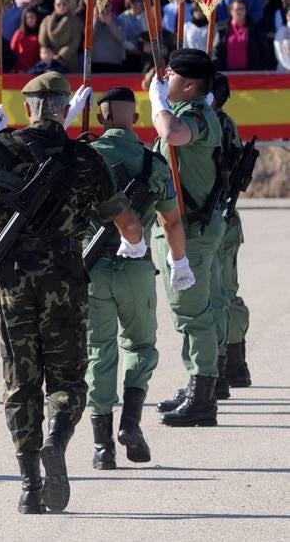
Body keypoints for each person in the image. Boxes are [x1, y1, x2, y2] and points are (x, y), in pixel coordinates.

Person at [0, 72, 139, 514]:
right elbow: (125, 220)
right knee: (67, 376)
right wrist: (136, 240)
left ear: (28, 108)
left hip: (13, 279)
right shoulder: (84, 158)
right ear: (67, 107)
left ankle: (30, 485)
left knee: (20, 377)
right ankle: (57, 437)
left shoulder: (2, 149)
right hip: (66, 278)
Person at [84, 87, 182, 471]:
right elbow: (171, 220)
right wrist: (180, 262)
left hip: (92, 268)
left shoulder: (86, 157)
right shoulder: (153, 163)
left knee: (99, 352)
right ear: (136, 121)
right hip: (137, 269)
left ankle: (102, 447)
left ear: (99, 120)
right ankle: (130, 422)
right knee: (140, 346)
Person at [149, 48, 226, 428]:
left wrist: (156, 104)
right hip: (185, 226)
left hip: (190, 229)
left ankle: (203, 399)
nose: (165, 80)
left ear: (190, 84)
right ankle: (196, 384)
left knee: (192, 314)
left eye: (172, 76)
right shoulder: (182, 110)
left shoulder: (196, 115)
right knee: (191, 312)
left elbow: (173, 135)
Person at [209, 74, 252, 395]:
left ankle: (221, 365)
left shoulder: (204, 125)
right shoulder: (227, 123)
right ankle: (236, 364)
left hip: (212, 220)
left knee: (214, 298)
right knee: (228, 292)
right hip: (227, 217)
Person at [214, 0, 271, 71]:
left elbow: (264, 52)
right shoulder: (221, 30)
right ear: (231, 11)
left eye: (242, 9)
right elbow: (216, 52)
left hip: (249, 74)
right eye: (237, 9)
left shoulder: (256, 30)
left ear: (246, 11)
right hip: (227, 73)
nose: (240, 11)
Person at [38, 0, 81, 73]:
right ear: (54, 5)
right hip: (49, 59)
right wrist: (50, 54)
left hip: (68, 60)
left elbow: (75, 42)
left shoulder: (75, 21)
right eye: (58, 4)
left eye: (64, 4)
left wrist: (60, 56)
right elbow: (43, 41)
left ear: (68, 4)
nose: (61, 7)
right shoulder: (47, 20)